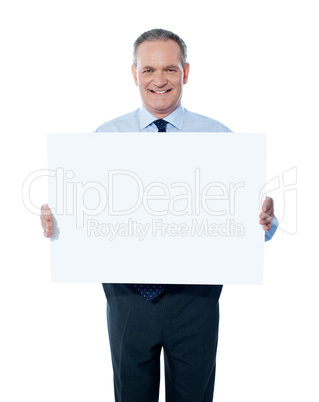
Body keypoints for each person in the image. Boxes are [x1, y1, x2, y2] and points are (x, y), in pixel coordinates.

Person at [41, 29, 278, 402]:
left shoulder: (219, 138)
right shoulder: (105, 138)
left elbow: (246, 224)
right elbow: (83, 218)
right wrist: (56, 225)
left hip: (196, 301)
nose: (159, 80)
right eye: (148, 70)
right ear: (134, 74)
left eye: (169, 68)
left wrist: (265, 221)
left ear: (186, 72)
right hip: (128, 300)